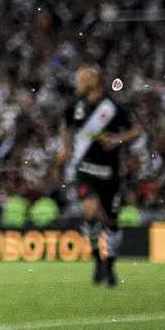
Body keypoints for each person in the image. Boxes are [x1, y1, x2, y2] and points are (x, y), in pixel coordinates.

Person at [61, 63, 140, 287]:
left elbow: (135, 130)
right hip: (85, 170)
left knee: (112, 221)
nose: (77, 83)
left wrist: (117, 140)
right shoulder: (75, 106)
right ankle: (97, 259)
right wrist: (66, 148)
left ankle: (110, 265)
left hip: (110, 173)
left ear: (92, 82)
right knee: (89, 211)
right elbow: (66, 127)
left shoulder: (113, 108)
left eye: (81, 79)